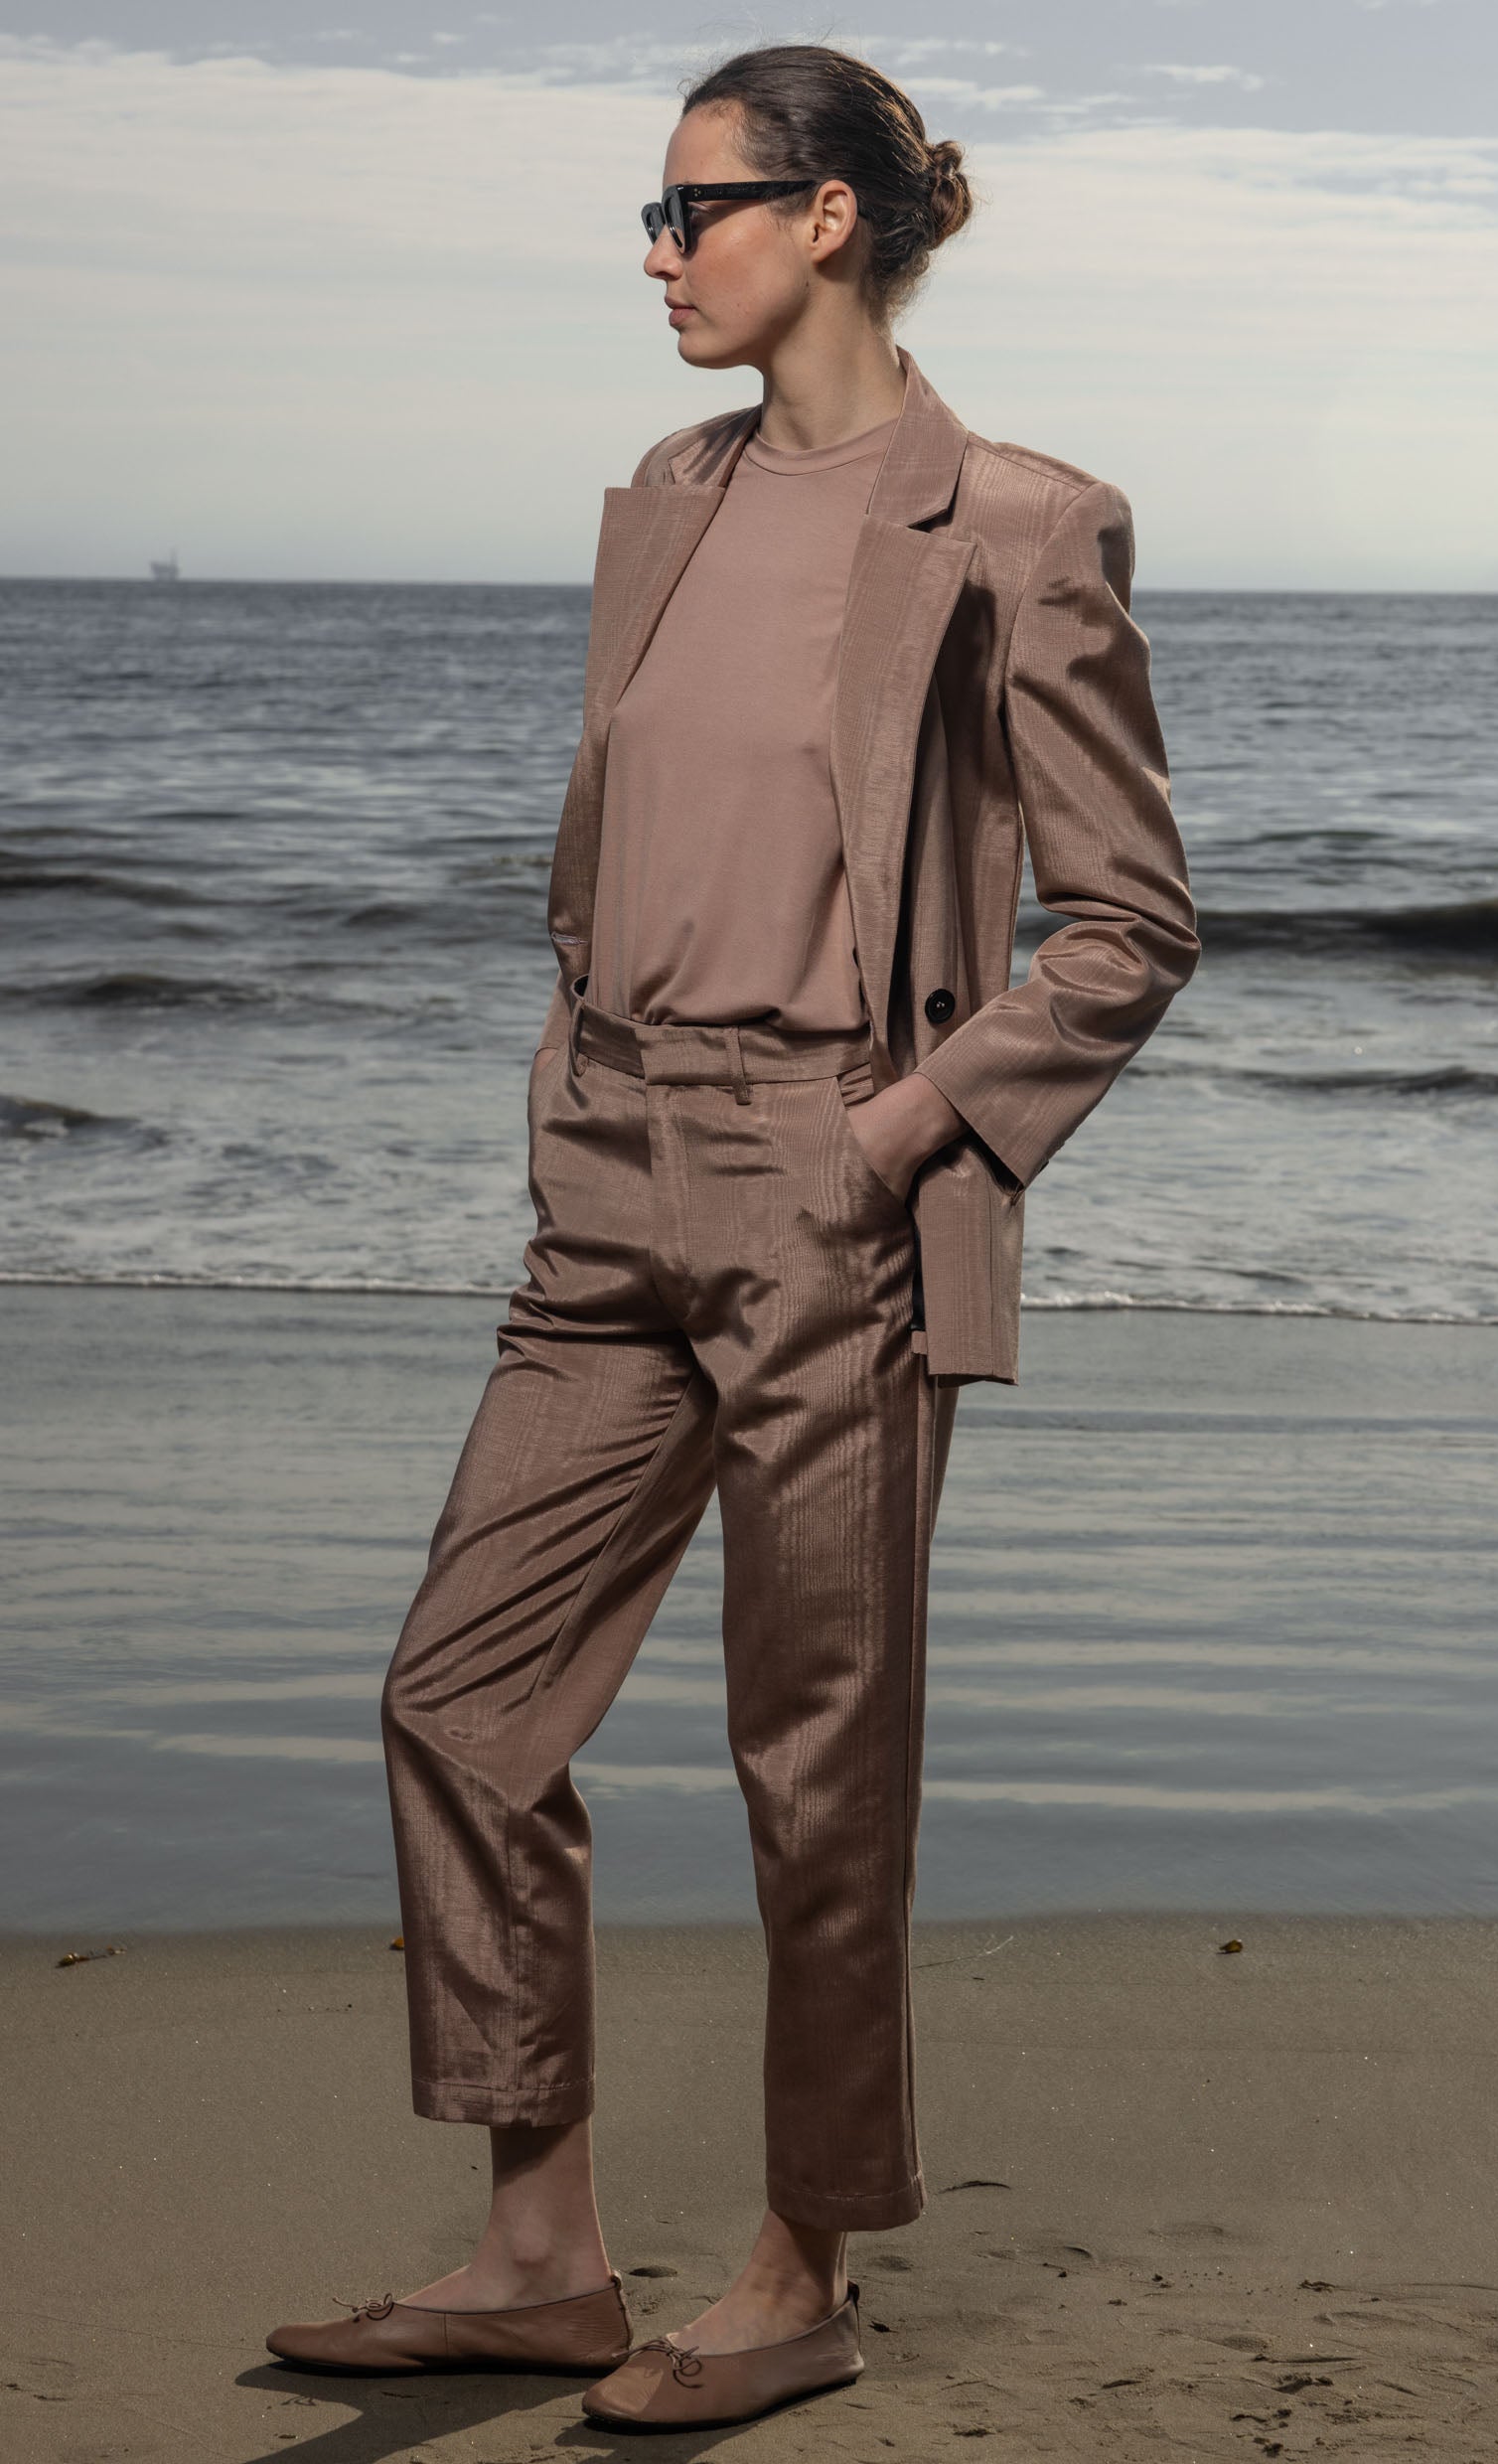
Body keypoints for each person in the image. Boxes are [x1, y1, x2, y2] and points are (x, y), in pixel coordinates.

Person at [266, 38, 1198, 2434]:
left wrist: (893, 1140)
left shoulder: (1017, 523)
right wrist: (575, 1082)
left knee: (815, 1758)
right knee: (460, 1695)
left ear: (829, 220)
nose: (659, 256)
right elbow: (624, 839)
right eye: (655, 216)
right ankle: (540, 2255)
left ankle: (797, 2271)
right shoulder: (668, 496)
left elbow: (1124, 926)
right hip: (604, 1175)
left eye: (694, 211)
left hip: (830, 1190)